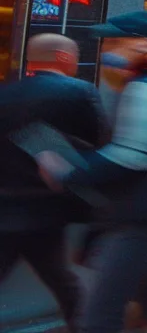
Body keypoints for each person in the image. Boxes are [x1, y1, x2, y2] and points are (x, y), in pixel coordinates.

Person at [33, 11, 147, 333]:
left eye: (114, 41)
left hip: (140, 220)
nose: (105, 51)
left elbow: (134, 155)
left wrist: (68, 170)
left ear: (144, 44)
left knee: (100, 313)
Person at [0, 34, 103, 327]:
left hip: (6, 206)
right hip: (48, 207)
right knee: (64, 283)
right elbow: (94, 146)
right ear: (63, 57)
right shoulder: (80, 92)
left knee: (61, 280)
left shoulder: (6, 94)